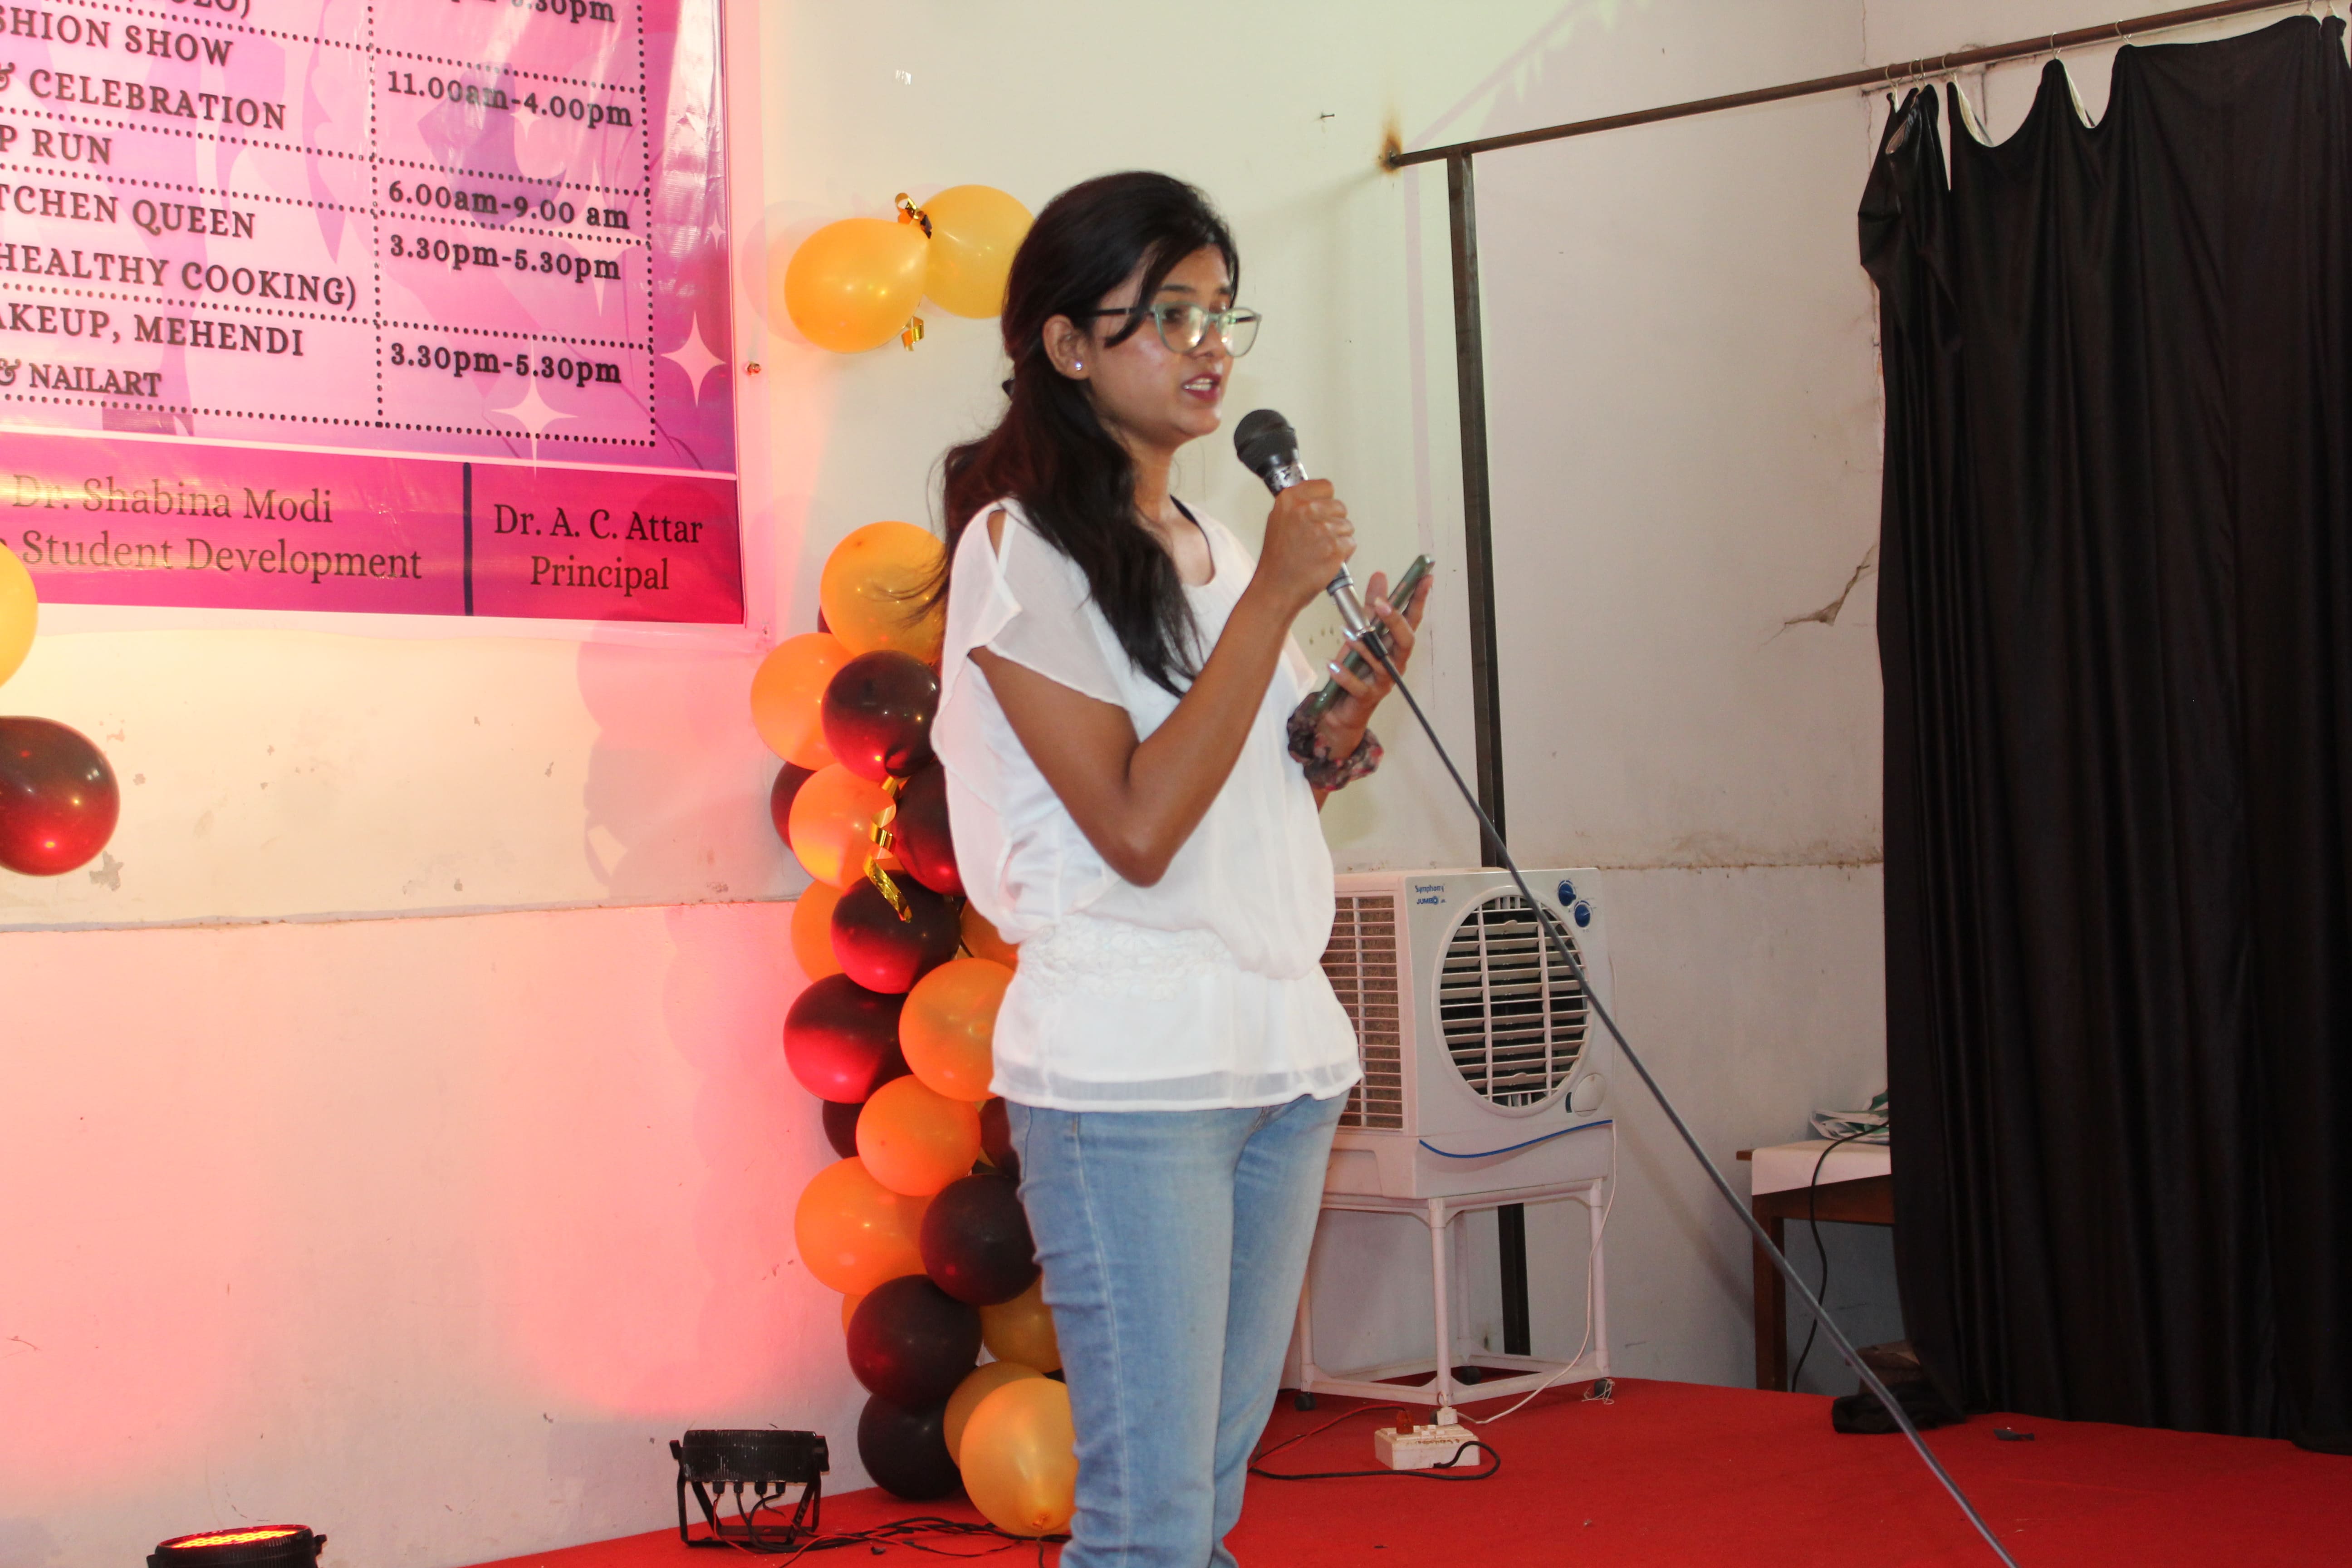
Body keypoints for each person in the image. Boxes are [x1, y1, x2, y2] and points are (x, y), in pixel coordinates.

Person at [929, 171, 1429, 1568]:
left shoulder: (1210, 548)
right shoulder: (1022, 554)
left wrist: (1332, 731)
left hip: (1277, 1053)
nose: (1209, 347)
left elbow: (1232, 794)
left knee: (1205, 1496)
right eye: (1167, 316)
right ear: (1065, 344)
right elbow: (1138, 831)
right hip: (1130, 1072)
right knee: (1148, 1522)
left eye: (1221, 314)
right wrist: (1273, 601)